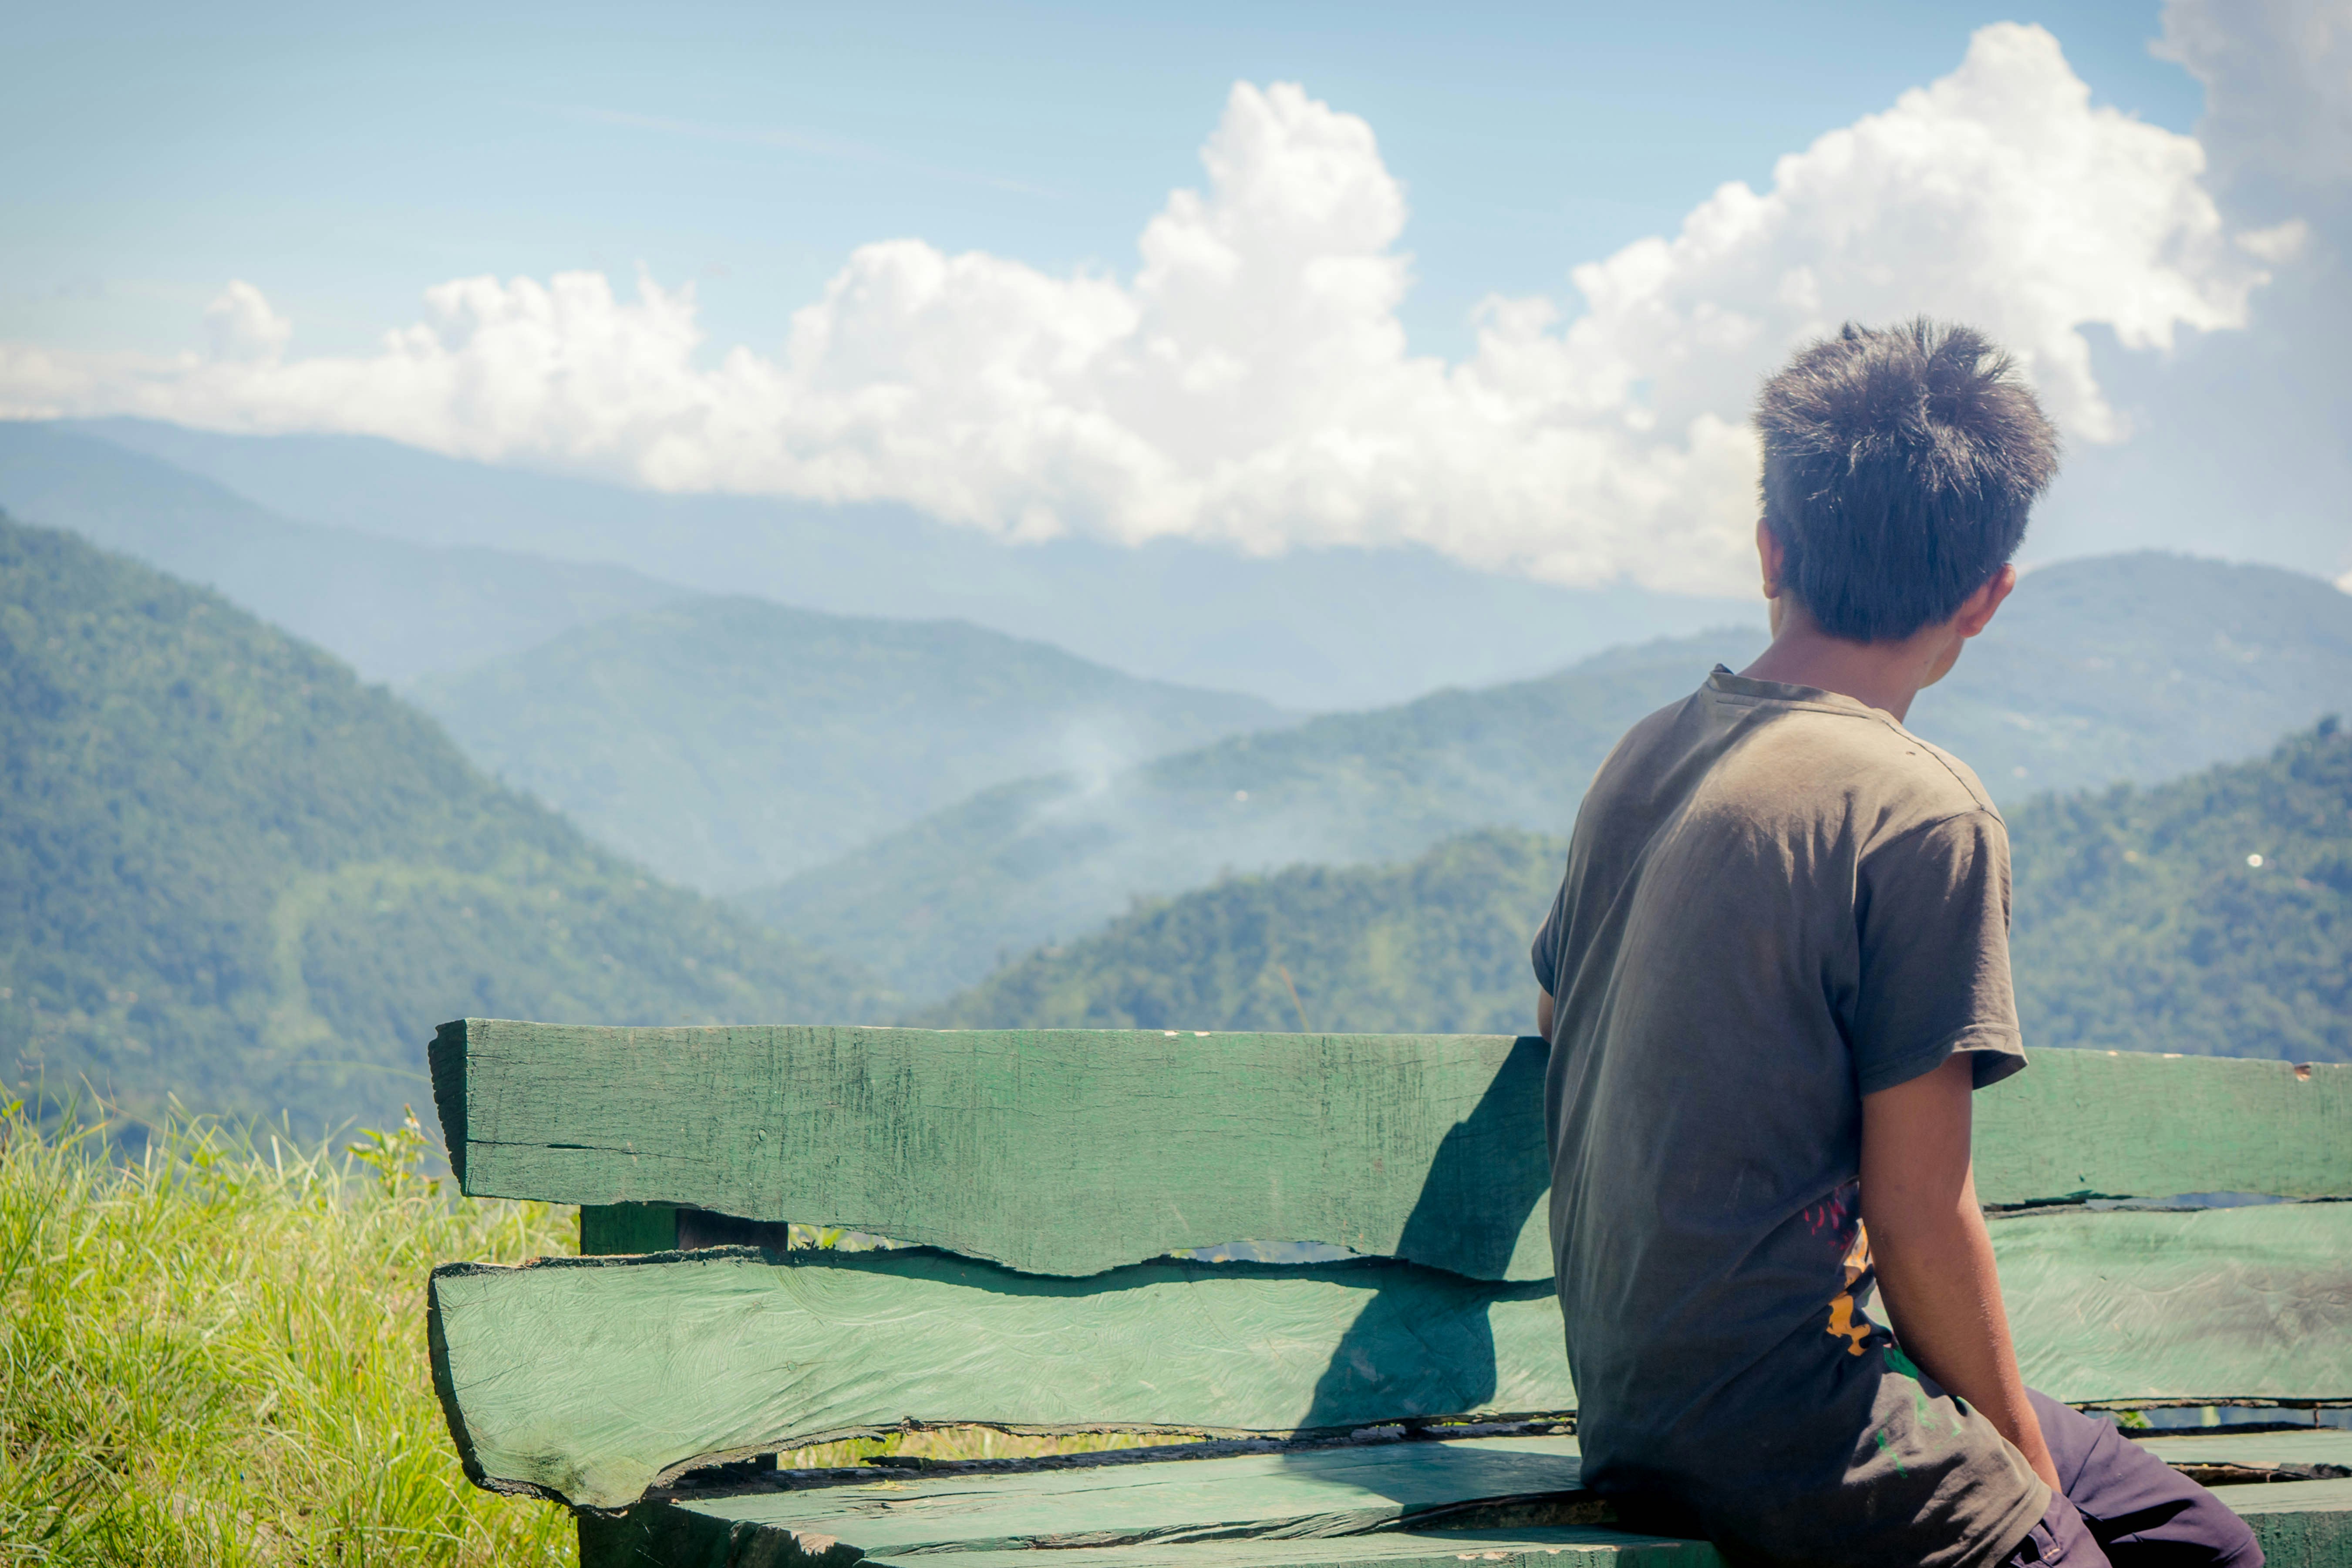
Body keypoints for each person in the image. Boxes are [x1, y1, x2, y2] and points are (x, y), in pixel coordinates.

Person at [1529, 319, 2262, 1568]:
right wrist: (2029, 1484)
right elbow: (1918, 1214)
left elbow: (1561, 1021)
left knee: (2192, 1539)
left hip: (1646, 1398)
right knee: (2086, 1541)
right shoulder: (1921, 808)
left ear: (1768, 547)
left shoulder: (1644, 752)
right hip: (1784, 1416)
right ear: (1987, 595)